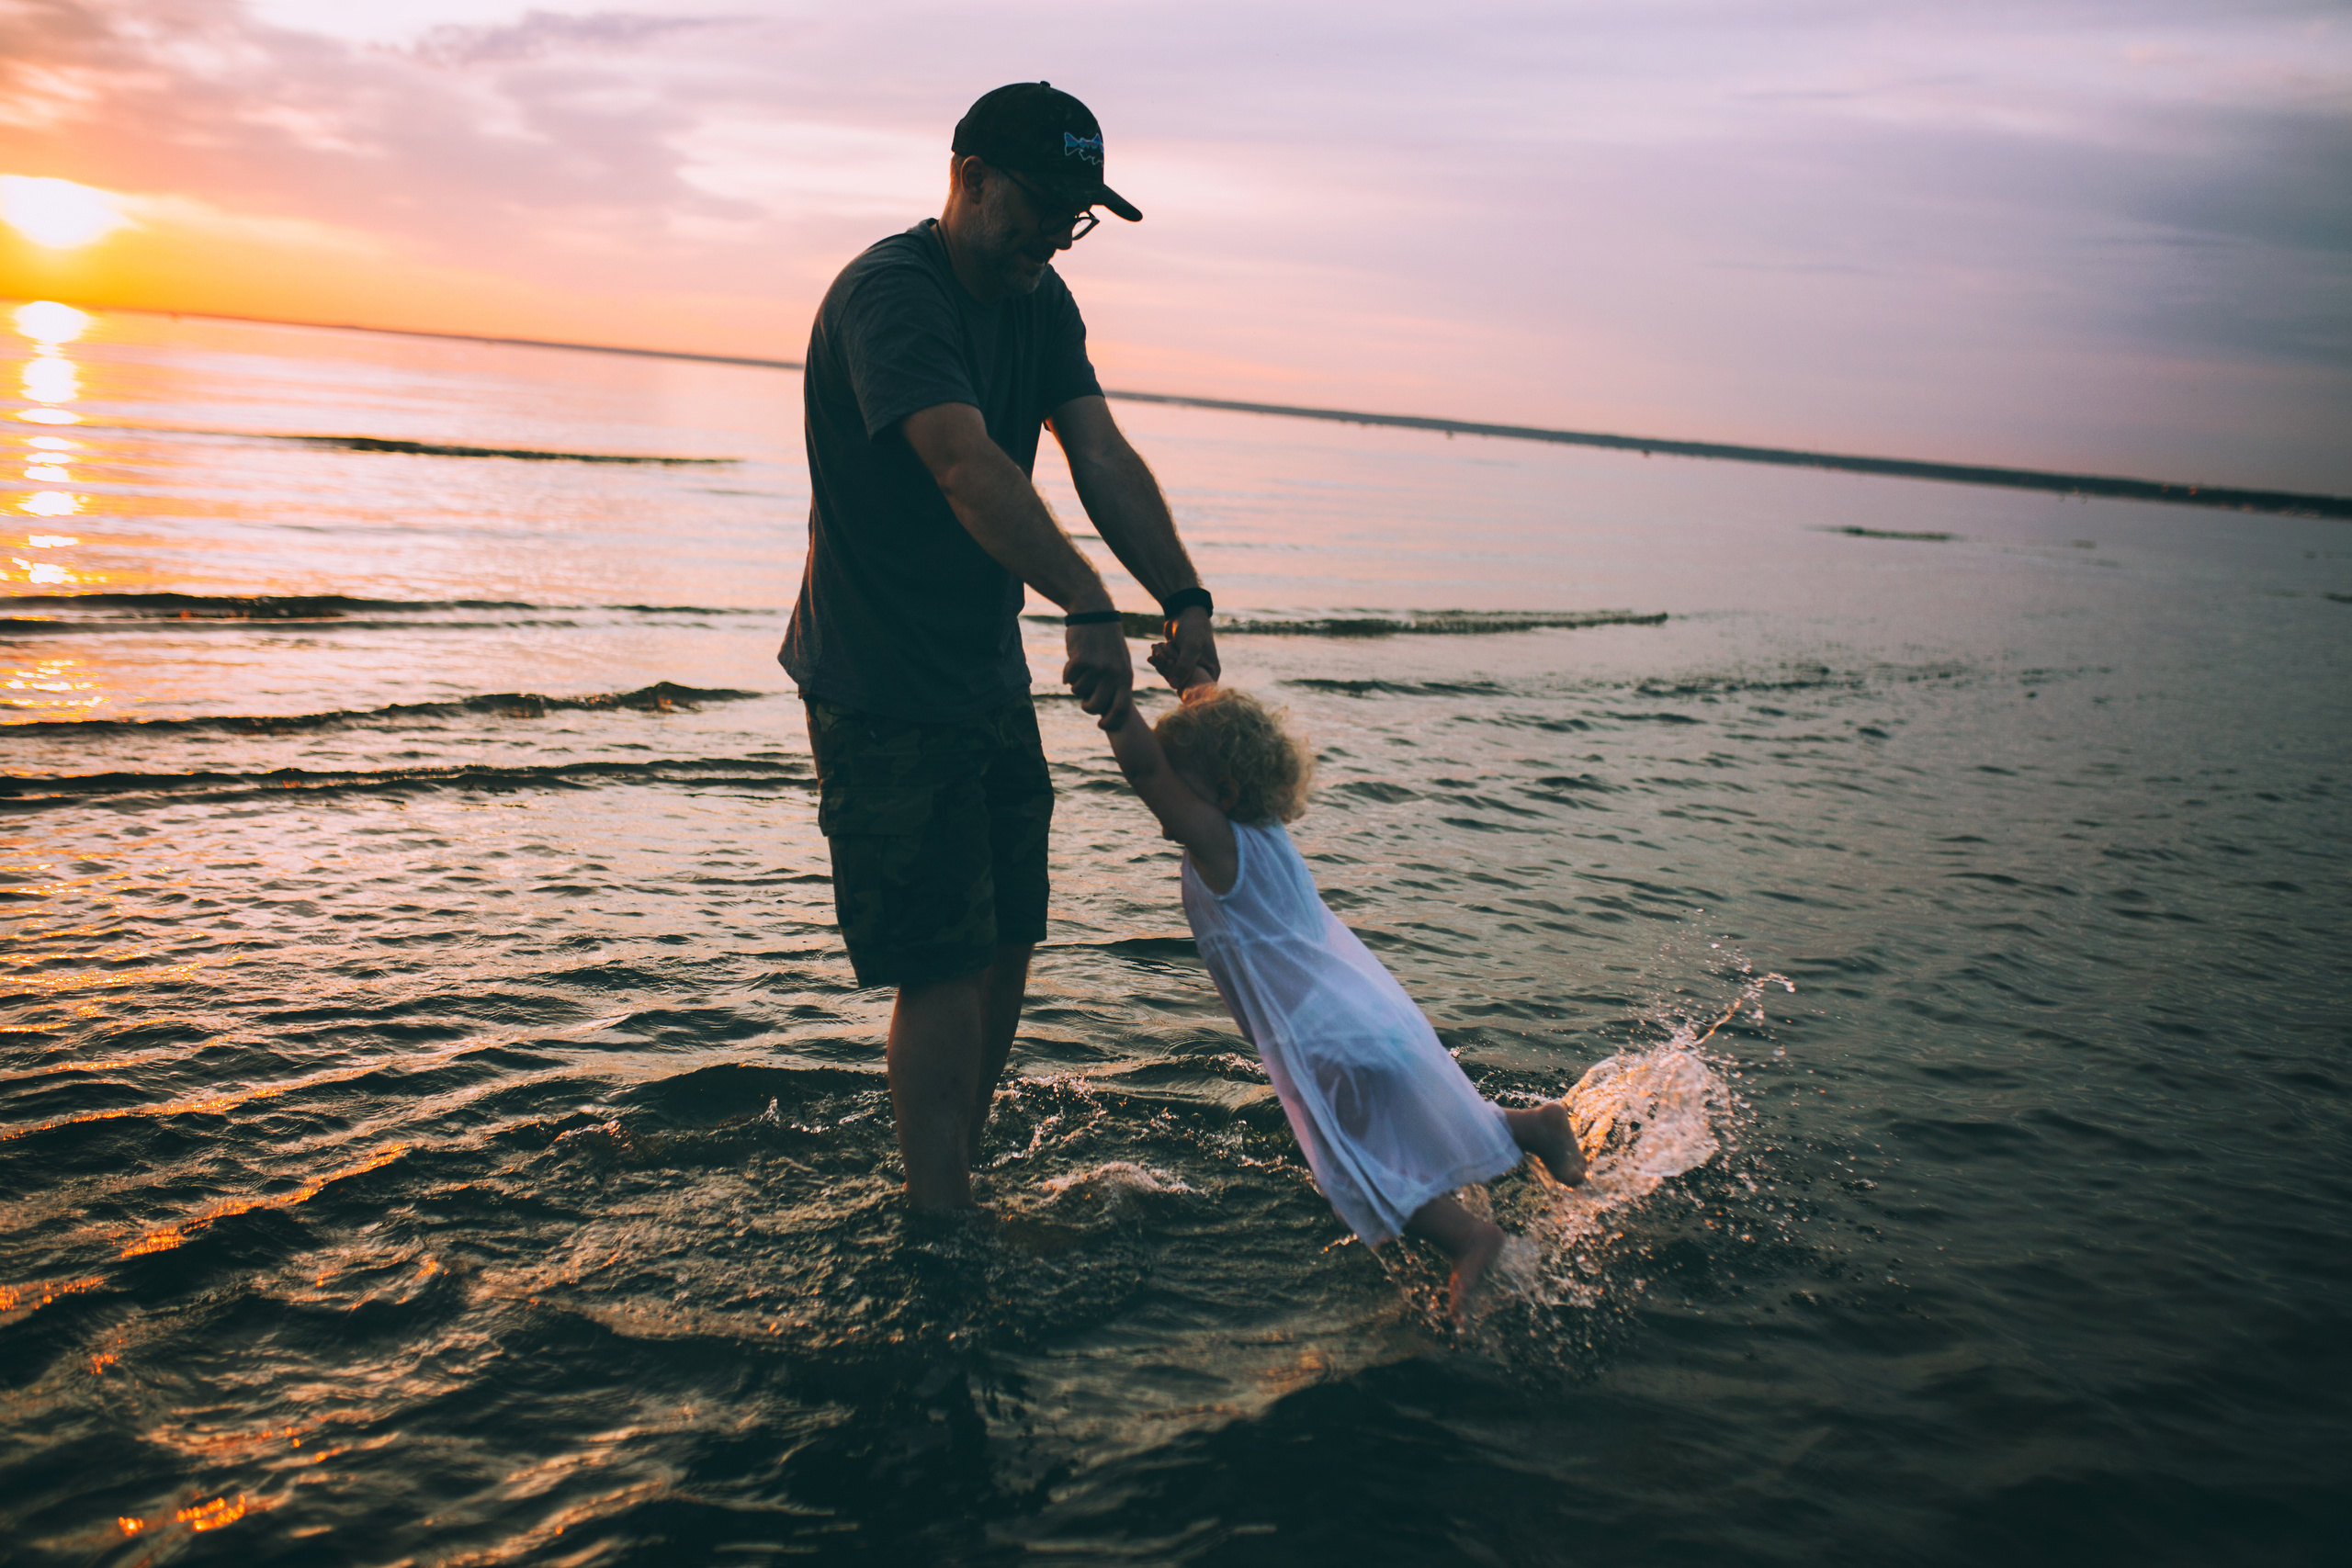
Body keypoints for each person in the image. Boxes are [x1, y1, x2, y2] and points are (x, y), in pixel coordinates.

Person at [781, 82, 1218, 1213]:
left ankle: (954, 1181)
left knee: (1008, 937)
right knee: (937, 959)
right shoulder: (893, 296)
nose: (1055, 236)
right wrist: (1085, 601)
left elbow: (1100, 454)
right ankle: (941, 1222)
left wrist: (1181, 596)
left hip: (981, 677)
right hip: (879, 684)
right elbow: (964, 464)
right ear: (970, 176)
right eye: (1042, 204)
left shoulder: (1042, 301)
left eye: (1076, 217)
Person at [1101, 679, 1586, 1322]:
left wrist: (1113, 704)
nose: (1161, 789)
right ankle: (1530, 1126)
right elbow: (1210, 745)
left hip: (1322, 1041)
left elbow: (1140, 769)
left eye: (1174, 775)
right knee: (1405, 1126)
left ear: (1221, 793)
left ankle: (1469, 1237)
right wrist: (1192, 684)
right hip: (1363, 1012)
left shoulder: (1214, 843)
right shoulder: (1261, 830)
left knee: (1353, 1162)